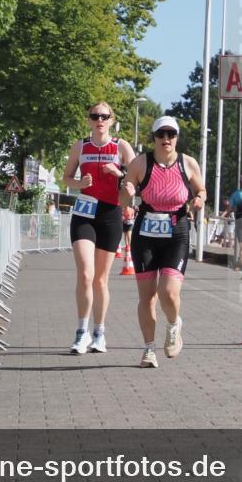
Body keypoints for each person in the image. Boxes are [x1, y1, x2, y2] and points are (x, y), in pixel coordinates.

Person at [120, 116, 206, 369]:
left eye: (171, 135)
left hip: (176, 231)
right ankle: (148, 349)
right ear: (154, 137)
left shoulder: (187, 163)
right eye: (161, 135)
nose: (166, 139)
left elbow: (200, 190)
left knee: (168, 292)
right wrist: (127, 192)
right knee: (147, 297)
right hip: (145, 233)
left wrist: (199, 199)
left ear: (177, 137)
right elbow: (122, 200)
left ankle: (173, 324)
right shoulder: (140, 163)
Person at [61, 101, 136, 355]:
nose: (99, 120)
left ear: (111, 120)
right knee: (85, 274)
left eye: (104, 116)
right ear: (89, 120)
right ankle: (81, 333)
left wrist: (120, 173)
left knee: (101, 280)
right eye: (95, 116)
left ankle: (99, 333)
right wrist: (79, 183)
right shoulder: (81, 145)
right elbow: (66, 177)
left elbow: (138, 178)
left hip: (110, 214)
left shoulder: (121, 146)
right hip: (84, 212)